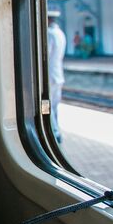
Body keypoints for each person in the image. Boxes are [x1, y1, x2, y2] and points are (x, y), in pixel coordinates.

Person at [46, 11, 66, 143]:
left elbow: (45, 53)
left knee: (46, 105)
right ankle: (56, 129)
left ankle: (54, 132)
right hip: (58, 74)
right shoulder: (60, 33)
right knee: (54, 105)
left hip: (49, 76)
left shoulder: (49, 34)